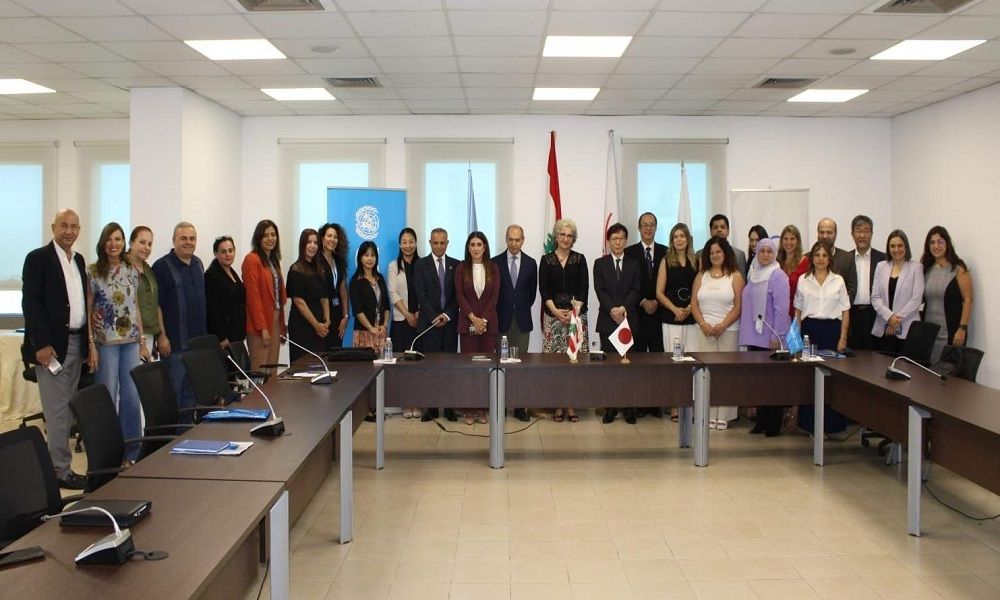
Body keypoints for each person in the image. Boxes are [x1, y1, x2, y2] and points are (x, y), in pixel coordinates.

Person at [21, 210, 90, 489]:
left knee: (68, 408)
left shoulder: (79, 260)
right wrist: (41, 344)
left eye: (74, 226)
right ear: (53, 227)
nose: (69, 231)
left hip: (76, 343)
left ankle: (60, 466)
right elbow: (31, 304)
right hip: (51, 348)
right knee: (57, 411)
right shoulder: (38, 259)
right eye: (64, 225)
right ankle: (59, 471)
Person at [87, 222, 151, 463]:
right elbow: (89, 309)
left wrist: (142, 341)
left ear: (124, 243)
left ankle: (132, 452)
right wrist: (91, 346)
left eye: (118, 239)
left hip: (131, 342)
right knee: (107, 398)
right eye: (109, 239)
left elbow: (135, 307)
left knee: (132, 397)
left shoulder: (132, 270)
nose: (114, 244)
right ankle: (108, 455)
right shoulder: (93, 271)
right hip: (106, 344)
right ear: (103, 243)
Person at [795, 241, 851, 434]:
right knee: (809, 379)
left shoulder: (838, 281)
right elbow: (798, 311)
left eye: (824, 255)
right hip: (809, 331)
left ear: (829, 259)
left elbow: (845, 312)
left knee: (831, 380)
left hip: (831, 332)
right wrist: (797, 338)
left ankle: (832, 425)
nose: (820, 259)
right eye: (817, 255)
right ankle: (809, 425)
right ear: (812, 258)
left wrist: (843, 337)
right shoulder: (803, 280)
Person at [689, 236, 744, 430]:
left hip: (728, 331)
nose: (714, 255)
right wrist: (703, 324)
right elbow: (694, 304)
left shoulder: (735, 276)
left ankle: (725, 415)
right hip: (704, 331)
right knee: (706, 373)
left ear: (725, 253)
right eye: (711, 253)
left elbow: (738, 306)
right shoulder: (701, 276)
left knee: (726, 373)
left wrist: (723, 325)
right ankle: (708, 413)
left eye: (718, 252)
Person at [152, 222, 207, 412]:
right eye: (183, 238)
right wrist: (161, 335)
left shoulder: (198, 264)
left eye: (192, 239)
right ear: (174, 240)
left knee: (193, 396)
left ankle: (188, 429)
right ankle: (173, 431)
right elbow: (156, 305)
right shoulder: (162, 266)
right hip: (175, 345)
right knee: (174, 395)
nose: (188, 242)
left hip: (197, 346)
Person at [739, 237, 790, 436]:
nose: (766, 255)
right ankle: (761, 421)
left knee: (773, 383)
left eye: (770, 251)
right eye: (762, 251)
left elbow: (782, 309)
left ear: (775, 254)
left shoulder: (778, 276)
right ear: (756, 253)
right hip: (754, 338)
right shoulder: (754, 274)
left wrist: (778, 335)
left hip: (770, 338)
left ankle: (773, 424)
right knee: (759, 382)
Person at [540, 218, 589, 423]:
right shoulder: (546, 260)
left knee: (573, 362)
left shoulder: (580, 259)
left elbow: (584, 289)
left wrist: (572, 312)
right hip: (553, 319)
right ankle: (558, 405)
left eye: (569, 235)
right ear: (556, 236)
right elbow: (544, 290)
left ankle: (571, 404)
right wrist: (556, 312)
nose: (566, 238)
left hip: (575, 318)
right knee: (555, 364)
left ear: (573, 238)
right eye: (562, 234)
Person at [594, 223, 641, 424]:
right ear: (608, 241)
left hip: (628, 320)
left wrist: (623, 309)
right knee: (610, 367)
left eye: (621, 238)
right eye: (614, 238)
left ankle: (630, 409)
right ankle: (610, 408)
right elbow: (600, 290)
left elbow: (636, 290)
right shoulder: (600, 263)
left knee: (629, 367)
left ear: (626, 240)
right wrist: (613, 309)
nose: (618, 242)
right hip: (608, 321)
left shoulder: (634, 264)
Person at [414, 227, 460, 422]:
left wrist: (446, 315)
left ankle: (449, 408)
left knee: (449, 368)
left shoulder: (456, 265)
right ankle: (431, 408)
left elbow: (457, 295)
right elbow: (421, 294)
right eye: (435, 242)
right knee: (430, 367)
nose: (439, 246)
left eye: (442, 242)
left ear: (447, 243)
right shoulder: (420, 265)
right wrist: (435, 317)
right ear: (430, 243)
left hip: (449, 325)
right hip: (429, 324)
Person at [455, 231, 500, 425]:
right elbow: (460, 297)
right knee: (469, 368)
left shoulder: (493, 267)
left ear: (485, 247)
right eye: (472, 244)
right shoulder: (461, 268)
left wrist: (484, 321)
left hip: (489, 326)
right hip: (468, 325)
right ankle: (469, 409)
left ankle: (483, 408)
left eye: (479, 244)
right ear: (468, 247)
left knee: (486, 368)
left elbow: (494, 297)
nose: (475, 248)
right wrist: (474, 319)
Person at [493, 224, 537, 422]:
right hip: (501, 321)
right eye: (510, 239)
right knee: (501, 363)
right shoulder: (495, 263)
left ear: (523, 240)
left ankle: (520, 407)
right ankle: (501, 405)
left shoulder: (531, 263)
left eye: (517, 240)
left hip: (522, 321)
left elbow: (532, 293)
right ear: (506, 239)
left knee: (520, 365)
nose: (513, 243)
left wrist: (519, 307)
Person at [655, 222, 698, 422]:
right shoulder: (666, 261)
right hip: (671, 319)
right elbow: (659, 292)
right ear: (671, 240)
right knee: (674, 361)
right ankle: (674, 406)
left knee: (691, 362)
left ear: (688, 239)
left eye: (682, 236)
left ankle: (690, 404)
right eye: (675, 236)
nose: (679, 239)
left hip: (691, 318)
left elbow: (700, 288)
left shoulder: (697, 261)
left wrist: (689, 308)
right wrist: (675, 310)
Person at [921, 226, 973, 362]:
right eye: (932, 242)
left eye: (940, 242)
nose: (936, 246)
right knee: (927, 370)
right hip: (928, 332)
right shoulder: (925, 269)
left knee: (948, 370)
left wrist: (962, 329)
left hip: (952, 332)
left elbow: (968, 300)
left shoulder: (959, 269)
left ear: (947, 243)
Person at [242, 219, 286, 373]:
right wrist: (262, 328)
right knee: (260, 370)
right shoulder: (252, 259)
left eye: (273, 234)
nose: (270, 238)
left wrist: (282, 326)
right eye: (266, 235)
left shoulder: (273, 260)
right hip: (260, 323)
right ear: (258, 238)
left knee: (272, 369)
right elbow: (253, 297)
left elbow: (279, 296)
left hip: (275, 319)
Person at [871, 230, 924, 355]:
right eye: (892, 246)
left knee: (905, 366)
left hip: (907, 330)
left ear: (906, 247)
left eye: (900, 245)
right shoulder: (881, 266)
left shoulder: (916, 268)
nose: (896, 249)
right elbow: (875, 297)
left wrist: (896, 320)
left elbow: (916, 299)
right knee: (881, 365)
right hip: (884, 328)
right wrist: (889, 317)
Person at [388, 227, 421, 418]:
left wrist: (418, 314)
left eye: (411, 241)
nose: (408, 245)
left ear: (416, 243)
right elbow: (393, 293)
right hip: (401, 321)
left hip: (420, 322)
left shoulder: (422, 264)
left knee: (418, 364)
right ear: (400, 245)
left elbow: (426, 292)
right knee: (402, 364)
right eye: (404, 242)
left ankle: (417, 401)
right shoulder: (394, 266)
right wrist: (408, 315)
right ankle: (405, 402)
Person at [624, 212, 667, 354]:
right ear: (639, 228)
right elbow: (626, 284)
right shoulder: (628, 253)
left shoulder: (666, 252)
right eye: (645, 225)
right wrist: (642, 301)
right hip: (636, 315)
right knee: (637, 360)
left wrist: (657, 302)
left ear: (656, 227)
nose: (648, 228)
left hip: (660, 315)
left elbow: (670, 283)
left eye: (651, 225)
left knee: (660, 359)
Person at [204, 235, 249, 369]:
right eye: (223, 251)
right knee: (229, 374)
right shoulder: (211, 275)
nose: (228, 254)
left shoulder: (231, 271)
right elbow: (212, 309)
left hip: (236, 335)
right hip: (224, 338)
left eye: (230, 250)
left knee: (239, 373)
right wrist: (222, 337)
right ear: (216, 253)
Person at [286, 228, 331, 362]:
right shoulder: (296, 269)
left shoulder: (320, 269)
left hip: (320, 328)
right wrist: (316, 325)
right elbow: (298, 301)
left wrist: (327, 320)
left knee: (319, 365)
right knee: (302, 366)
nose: (313, 246)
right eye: (309, 242)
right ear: (302, 244)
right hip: (302, 327)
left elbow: (324, 298)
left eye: (315, 243)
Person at [127, 226, 166, 359]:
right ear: (131, 243)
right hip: (129, 335)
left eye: (150, 244)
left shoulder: (148, 269)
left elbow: (155, 304)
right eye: (142, 242)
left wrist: (161, 334)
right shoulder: (122, 267)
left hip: (149, 333)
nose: (146, 247)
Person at [848, 215, 886, 351]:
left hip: (875, 315)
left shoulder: (883, 259)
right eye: (858, 231)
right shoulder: (846, 258)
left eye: (866, 231)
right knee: (853, 357)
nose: (862, 235)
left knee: (876, 356)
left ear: (872, 233)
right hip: (852, 315)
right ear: (852, 234)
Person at [349, 241, 390, 355]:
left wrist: (385, 325)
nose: (370, 258)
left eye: (373, 255)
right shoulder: (355, 282)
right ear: (360, 258)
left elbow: (387, 305)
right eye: (366, 255)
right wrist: (371, 328)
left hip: (380, 332)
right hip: (364, 333)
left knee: (382, 363)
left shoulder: (380, 278)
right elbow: (357, 310)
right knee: (364, 365)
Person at [318, 223, 349, 348]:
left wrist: (345, 316)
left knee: (336, 351)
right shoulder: (317, 260)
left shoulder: (339, 260)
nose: (332, 239)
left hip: (337, 313)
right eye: (329, 236)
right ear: (322, 238)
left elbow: (343, 289)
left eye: (335, 237)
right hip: (321, 314)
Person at [816, 217, 857, 303]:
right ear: (817, 233)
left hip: (839, 310)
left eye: (829, 232)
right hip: (813, 310)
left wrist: (839, 309)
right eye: (822, 232)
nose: (825, 236)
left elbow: (851, 290)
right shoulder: (807, 258)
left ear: (835, 234)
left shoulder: (847, 258)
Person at [778, 225, 809, 318]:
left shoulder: (805, 262)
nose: (788, 242)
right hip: (780, 314)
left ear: (797, 241)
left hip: (797, 314)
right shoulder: (776, 262)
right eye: (785, 239)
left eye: (792, 239)